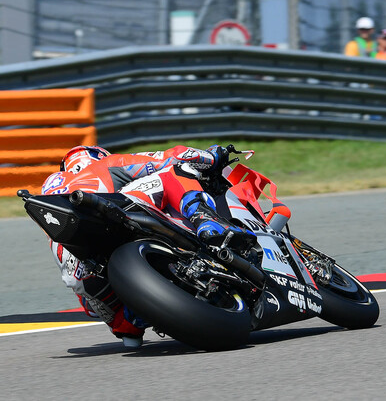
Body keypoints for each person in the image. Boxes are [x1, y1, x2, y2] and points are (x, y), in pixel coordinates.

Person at [42, 144, 257, 347]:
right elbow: (173, 156)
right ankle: (206, 221)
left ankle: (130, 321)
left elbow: (90, 310)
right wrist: (212, 157)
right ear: (96, 155)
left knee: (118, 322)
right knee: (174, 171)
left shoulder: (54, 213)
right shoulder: (105, 165)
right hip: (116, 216)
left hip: (86, 274)